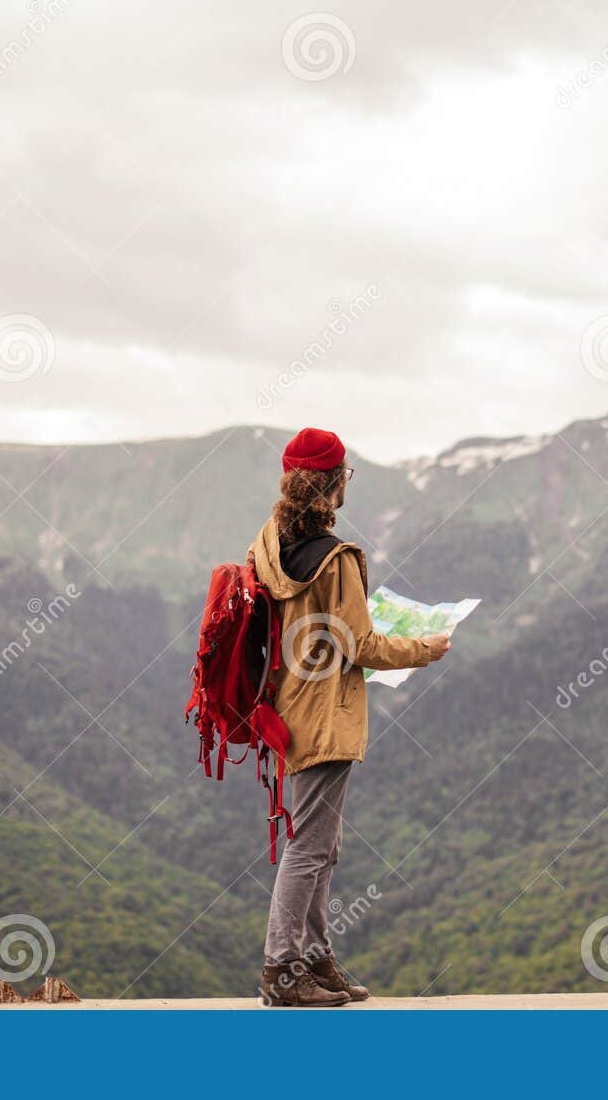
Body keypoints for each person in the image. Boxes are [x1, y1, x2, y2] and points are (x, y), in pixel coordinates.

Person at [250, 426, 450, 1007]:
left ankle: (313, 958)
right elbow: (360, 645)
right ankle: (282, 970)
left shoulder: (269, 546)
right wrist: (424, 649)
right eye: (345, 477)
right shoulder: (335, 560)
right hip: (327, 715)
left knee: (322, 843)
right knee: (309, 847)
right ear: (332, 483)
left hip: (289, 705)